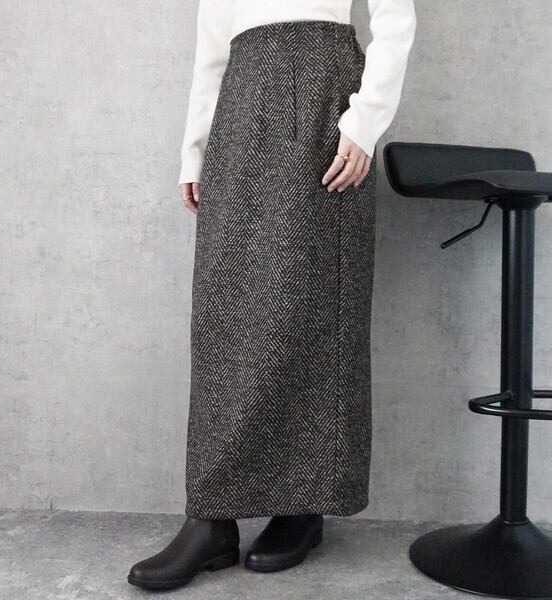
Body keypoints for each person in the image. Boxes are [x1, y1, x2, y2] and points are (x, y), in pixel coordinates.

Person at [129, 0, 416, 591]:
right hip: (241, 102)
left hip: (322, 99)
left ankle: (304, 505)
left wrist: (362, 122)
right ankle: (212, 518)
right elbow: (212, 52)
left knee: (313, 302)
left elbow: (396, 19)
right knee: (226, 311)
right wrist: (194, 150)